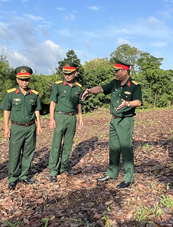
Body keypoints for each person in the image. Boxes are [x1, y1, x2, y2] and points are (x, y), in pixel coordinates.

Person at [81, 58, 143, 189]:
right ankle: (111, 173)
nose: (115, 73)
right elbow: (101, 89)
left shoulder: (134, 86)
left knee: (126, 149)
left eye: (117, 71)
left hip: (125, 120)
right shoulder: (114, 83)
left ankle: (128, 178)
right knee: (114, 148)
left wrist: (127, 103)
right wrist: (89, 90)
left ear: (125, 71)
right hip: (114, 120)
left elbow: (138, 102)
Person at [1, 66, 43, 190]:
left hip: (30, 127)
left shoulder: (34, 94)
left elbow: (37, 110)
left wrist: (39, 125)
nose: (25, 82)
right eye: (22, 79)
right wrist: (6, 127)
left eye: (27, 80)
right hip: (16, 127)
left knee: (28, 152)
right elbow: (6, 111)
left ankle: (24, 175)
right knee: (14, 153)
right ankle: (13, 178)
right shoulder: (11, 94)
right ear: (17, 80)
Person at [48, 62, 84, 183]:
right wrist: (51, 118)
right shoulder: (58, 85)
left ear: (75, 73)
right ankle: (53, 170)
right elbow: (53, 102)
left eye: (70, 74)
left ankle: (63, 167)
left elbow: (79, 103)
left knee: (68, 144)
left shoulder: (78, 87)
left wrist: (80, 117)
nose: (67, 76)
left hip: (72, 117)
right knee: (56, 144)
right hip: (60, 116)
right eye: (65, 74)